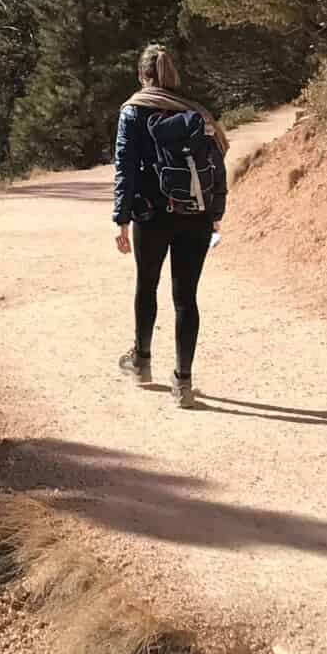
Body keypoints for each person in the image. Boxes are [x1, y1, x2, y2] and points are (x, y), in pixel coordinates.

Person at [111, 43, 226, 408]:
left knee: (147, 285)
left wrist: (121, 219)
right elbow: (218, 163)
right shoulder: (196, 112)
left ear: (142, 74)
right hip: (196, 215)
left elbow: (124, 167)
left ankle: (141, 362)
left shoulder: (133, 111)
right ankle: (183, 384)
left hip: (151, 213)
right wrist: (215, 211)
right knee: (185, 298)